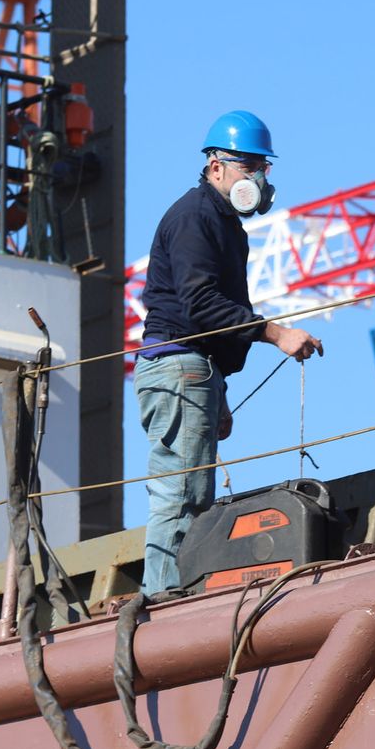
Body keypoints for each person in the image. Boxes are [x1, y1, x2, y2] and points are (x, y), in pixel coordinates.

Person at [135, 110, 323, 595]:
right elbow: (200, 304)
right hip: (179, 368)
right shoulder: (195, 217)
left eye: (263, 168)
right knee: (182, 496)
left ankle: (171, 592)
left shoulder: (219, 222)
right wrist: (276, 332)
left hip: (191, 370)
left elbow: (206, 312)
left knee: (191, 492)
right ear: (216, 167)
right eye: (249, 167)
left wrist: (217, 392)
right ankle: (161, 599)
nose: (258, 179)